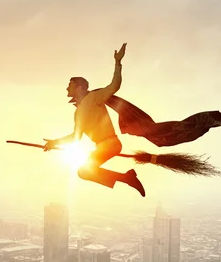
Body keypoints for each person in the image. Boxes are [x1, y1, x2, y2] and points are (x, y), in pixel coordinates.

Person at [43, 43, 146, 197]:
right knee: (84, 172)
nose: (66, 89)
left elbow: (114, 85)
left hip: (110, 144)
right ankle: (127, 177)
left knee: (83, 172)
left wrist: (118, 63)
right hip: (103, 146)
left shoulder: (94, 97)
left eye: (69, 85)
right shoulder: (78, 113)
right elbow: (76, 137)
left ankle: (127, 178)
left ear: (79, 88)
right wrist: (54, 142)